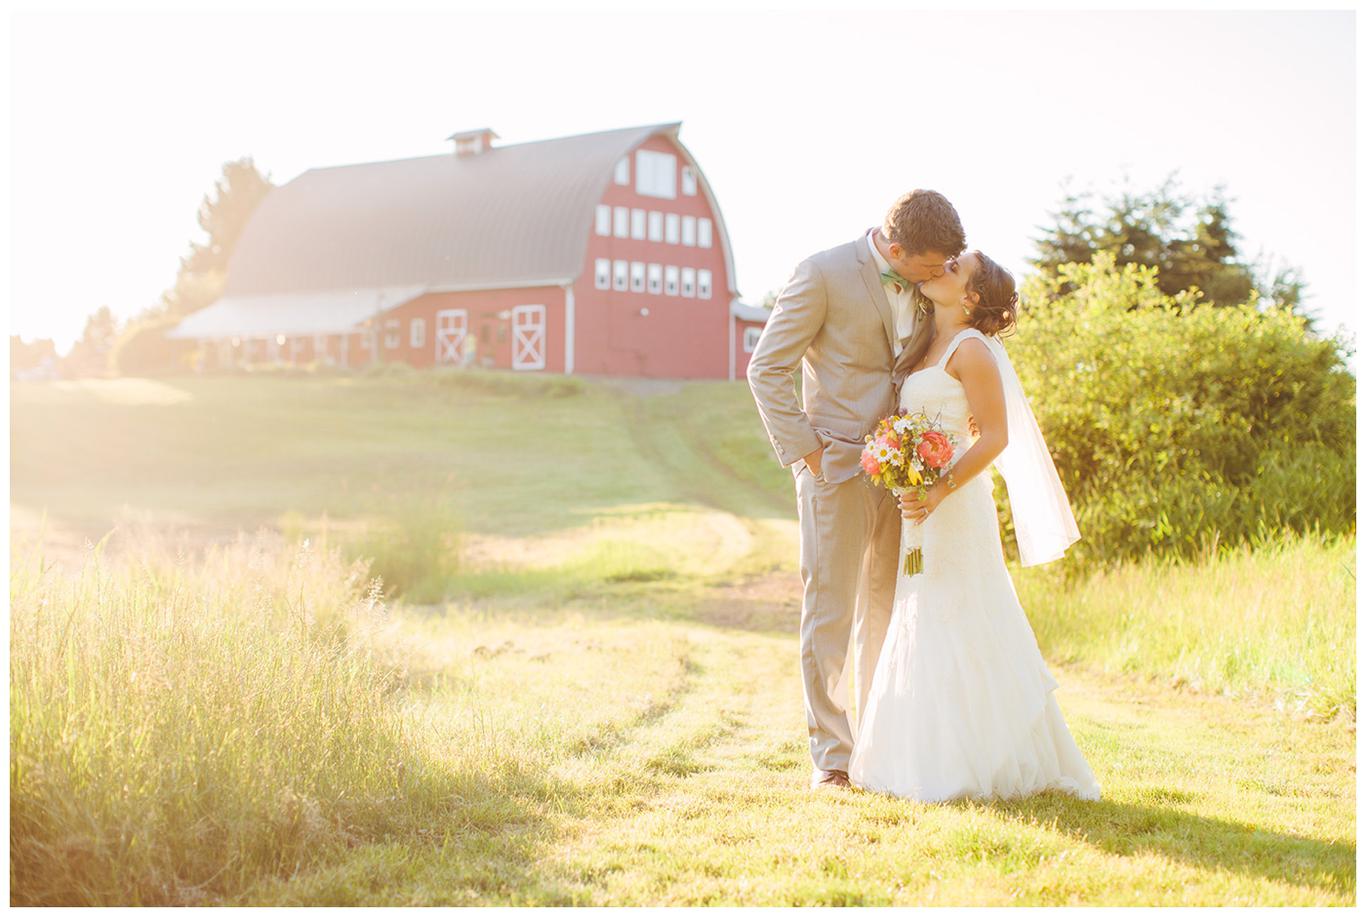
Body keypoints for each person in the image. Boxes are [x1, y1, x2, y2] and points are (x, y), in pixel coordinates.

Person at [848, 250, 1101, 803]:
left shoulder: (973, 351)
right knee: (923, 611)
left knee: (961, 613)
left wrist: (938, 488)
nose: (942, 267)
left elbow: (994, 436)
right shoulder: (927, 343)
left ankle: (977, 760)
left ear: (971, 297)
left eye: (956, 267)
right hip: (922, 504)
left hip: (955, 506)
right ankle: (920, 754)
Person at [746, 190, 966, 790]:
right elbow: (765, 367)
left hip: (905, 476)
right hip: (834, 470)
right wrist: (809, 454)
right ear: (896, 248)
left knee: (886, 609)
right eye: (929, 267)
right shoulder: (821, 273)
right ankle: (832, 759)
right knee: (831, 612)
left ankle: (878, 742)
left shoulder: (926, 281)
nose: (938, 276)